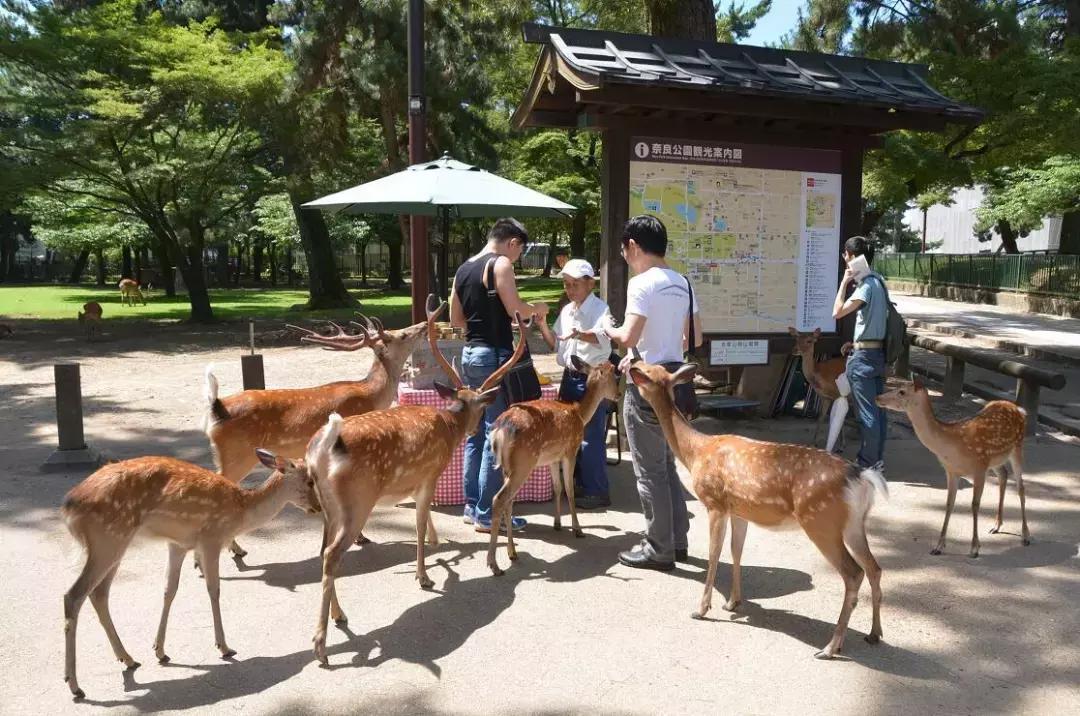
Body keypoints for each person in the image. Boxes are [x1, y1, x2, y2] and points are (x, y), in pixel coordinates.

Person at [603, 215, 702, 571]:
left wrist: (608, 329)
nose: (625, 257)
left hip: (647, 386)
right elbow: (697, 338)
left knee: (649, 470)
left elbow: (628, 338)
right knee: (667, 465)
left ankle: (658, 547)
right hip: (678, 382)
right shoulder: (683, 283)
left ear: (632, 245)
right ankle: (677, 540)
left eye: (624, 250)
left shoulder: (641, 284)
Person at [450, 218, 549, 533]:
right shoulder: (501, 263)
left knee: (476, 432)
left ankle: (471, 505)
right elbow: (515, 310)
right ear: (513, 243)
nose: (517, 260)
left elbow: (455, 318)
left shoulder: (463, 268)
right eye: (520, 252)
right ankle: (487, 512)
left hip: (471, 354)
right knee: (498, 432)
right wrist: (539, 308)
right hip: (495, 356)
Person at [535, 258, 614, 510]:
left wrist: (580, 333)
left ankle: (596, 490)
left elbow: (605, 340)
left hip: (590, 379)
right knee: (568, 433)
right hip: (570, 376)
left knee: (589, 435)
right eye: (567, 285)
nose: (570, 290)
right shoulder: (569, 309)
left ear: (590, 284)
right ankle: (578, 482)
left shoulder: (600, 309)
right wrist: (542, 326)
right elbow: (557, 345)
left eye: (575, 285)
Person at [832, 235, 888, 471]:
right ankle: (877, 459)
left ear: (853, 257)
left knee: (867, 413)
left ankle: (868, 462)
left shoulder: (865, 287)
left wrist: (844, 283)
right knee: (879, 410)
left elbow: (837, 312)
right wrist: (854, 344)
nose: (845, 258)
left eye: (846, 254)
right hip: (875, 354)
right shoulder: (879, 281)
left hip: (863, 361)